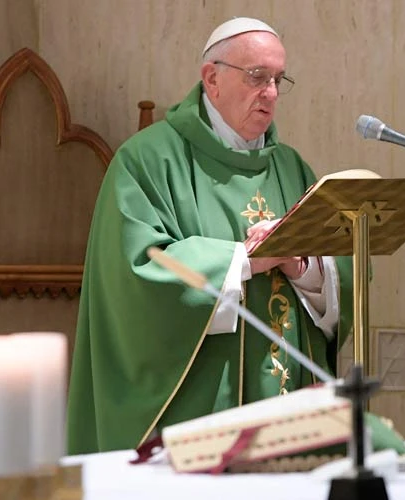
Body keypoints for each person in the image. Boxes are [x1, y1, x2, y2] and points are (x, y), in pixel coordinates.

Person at [66, 17, 355, 454]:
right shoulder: (146, 161)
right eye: (258, 77)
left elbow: (342, 272)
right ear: (212, 79)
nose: (272, 93)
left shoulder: (292, 168)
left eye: (279, 79)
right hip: (200, 417)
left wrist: (305, 267)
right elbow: (135, 276)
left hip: (289, 414)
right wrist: (244, 260)